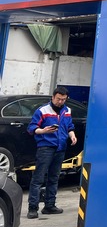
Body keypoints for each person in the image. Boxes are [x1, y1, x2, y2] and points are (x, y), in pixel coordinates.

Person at [26, 86, 77, 219]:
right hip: (45, 148)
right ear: (53, 97)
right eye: (58, 99)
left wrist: (72, 135)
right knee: (38, 178)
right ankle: (33, 208)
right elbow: (31, 128)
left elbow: (69, 126)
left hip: (60, 148)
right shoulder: (42, 110)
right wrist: (43, 131)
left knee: (54, 178)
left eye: (63, 99)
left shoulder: (67, 111)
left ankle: (49, 205)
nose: (60, 102)